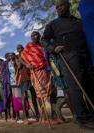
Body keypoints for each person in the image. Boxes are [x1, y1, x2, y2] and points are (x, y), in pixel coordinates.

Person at [41, 0, 94, 129]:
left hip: (85, 55)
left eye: (62, 5)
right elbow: (44, 40)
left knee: (90, 83)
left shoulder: (78, 22)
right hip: (68, 56)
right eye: (57, 7)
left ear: (68, 5)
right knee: (75, 87)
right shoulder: (53, 24)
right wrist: (53, 48)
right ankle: (82, 118)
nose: (59, 8)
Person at [21, 31, 53, 124]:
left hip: (45, 71)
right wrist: (27, 65)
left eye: (35, 35)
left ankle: (49, 115)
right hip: (35, 72)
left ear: (39, 36)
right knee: (39, 94)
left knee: (49, 93)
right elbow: (21, 58)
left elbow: (48, 57)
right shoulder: (29, 46)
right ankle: (43, 116)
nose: (33, 37)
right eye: (31, 36)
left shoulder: (43, 46)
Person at [16, 44, 39, 121]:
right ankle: (25, 117)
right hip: (24, 79)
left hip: (31, 76)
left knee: (34, 97)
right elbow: (19, 66)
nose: (20, 49)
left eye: (21, 48)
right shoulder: (18, 57)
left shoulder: (27, 54)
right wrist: (23, 61)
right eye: (18, 48)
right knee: (24, 97)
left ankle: (38, 115)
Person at [9, 53, 23, 124]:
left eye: (12, 55)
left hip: (20, 81)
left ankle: (26, 115)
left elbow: (20, 66)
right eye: (10, 56)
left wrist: (17, 62)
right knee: (15, 99)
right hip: (13, 83)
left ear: (14, 56)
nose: (11, 57)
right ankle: (18, 116)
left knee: (22, 98)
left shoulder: (17, 61)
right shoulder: (9, 64)